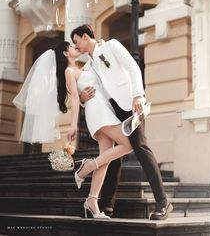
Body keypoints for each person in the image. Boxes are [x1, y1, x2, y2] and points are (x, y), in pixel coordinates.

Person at [13, 41, 133, 219]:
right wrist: (73, 125)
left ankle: (92, 202)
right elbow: (76, 100)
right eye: (70, 46)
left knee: (105, 158)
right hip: (97, 112)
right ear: (65, 53)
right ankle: (87, 166)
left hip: (104, 109)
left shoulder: (84, 66)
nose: (75, 47)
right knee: (128, 144)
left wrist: (100, 45)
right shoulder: (69, 72)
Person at [71, 24, 173, 220]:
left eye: (77, 42)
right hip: (111, 111)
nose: (77, 47)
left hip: (129, 104)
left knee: (141, 148)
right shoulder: (89, 65)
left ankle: (163, 202)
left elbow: (132, 67)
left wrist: (137, 95)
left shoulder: (111, 46)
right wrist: (82, 99)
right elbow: (85, 89)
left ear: (85, 37)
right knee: (112, 157)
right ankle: (106, 205)